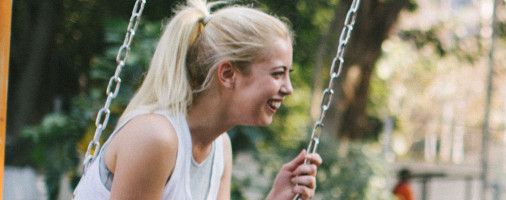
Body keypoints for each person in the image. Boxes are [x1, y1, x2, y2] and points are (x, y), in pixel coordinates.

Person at [72, 0, 321, 199]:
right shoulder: (155, 139)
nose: (288, 88)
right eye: (277, 74)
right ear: (227, 74)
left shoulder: (220, 148)